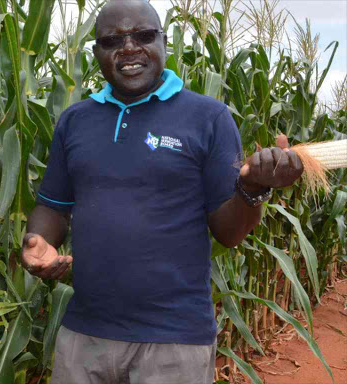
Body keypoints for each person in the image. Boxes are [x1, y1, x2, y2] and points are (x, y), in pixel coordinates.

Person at [21, 1, 303, 383]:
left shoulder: (208, 118)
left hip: (174, 343)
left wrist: (252, 186)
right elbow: (53, 205)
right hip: (84, 335)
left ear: (164, 42)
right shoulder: (75, 120)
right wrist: (37, 240)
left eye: (143, 35)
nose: (130, 48)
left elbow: (228, 232)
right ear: (96, 53)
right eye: (112, 40)